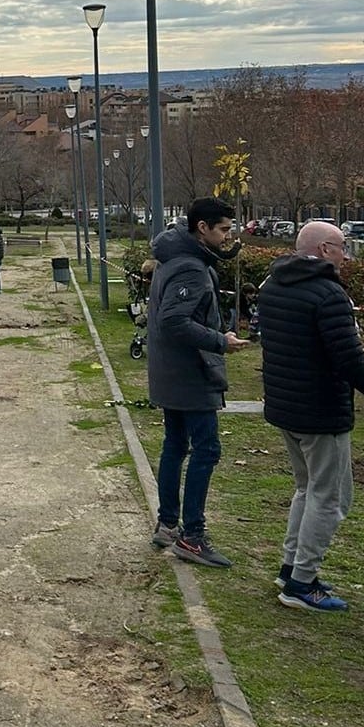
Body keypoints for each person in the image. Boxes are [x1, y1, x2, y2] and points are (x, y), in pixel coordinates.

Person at [257, 221, 364, 612]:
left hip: (285, 406)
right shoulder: (328, 295)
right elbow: (351, 362)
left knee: (306, 489)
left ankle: (291, 566)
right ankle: (301, 583)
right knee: (331, 498)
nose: (347, 254)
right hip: (320, 410)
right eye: (343, 246)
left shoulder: (274, 285)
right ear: (325, 249)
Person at [146, 198, 249, 568]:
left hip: (171, 371)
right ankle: (192, 535)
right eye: (223, 229)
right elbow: (174, 320)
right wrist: (220, 340)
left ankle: (168, 524)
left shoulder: (175, 256)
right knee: (206, 450)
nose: (228, 237)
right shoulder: (191, 267)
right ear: (202, 228)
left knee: (176, 443)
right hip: (189, 374)